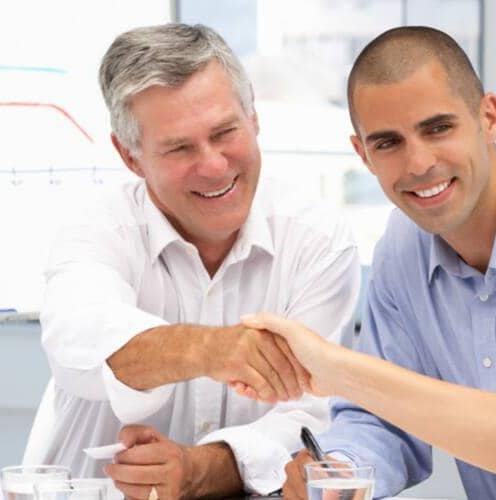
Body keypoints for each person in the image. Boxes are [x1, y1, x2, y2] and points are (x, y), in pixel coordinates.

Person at [23, 23, 360, 499]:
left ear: (253, 118)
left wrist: (200, 468)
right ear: (130, 156)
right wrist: (212, 350)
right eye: (180, 147)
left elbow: (311, 414)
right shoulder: (96, 230)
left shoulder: (317, 241)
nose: (215, 165)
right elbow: (80, 344)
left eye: (225, 132)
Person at [241, 25, 496, 499]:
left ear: (488, 117)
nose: (418, 163)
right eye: (388, 143)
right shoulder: (403, 248)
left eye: (438, 128)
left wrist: (337, 368)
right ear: (362, 154)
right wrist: (340, 469)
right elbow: (381, 419)